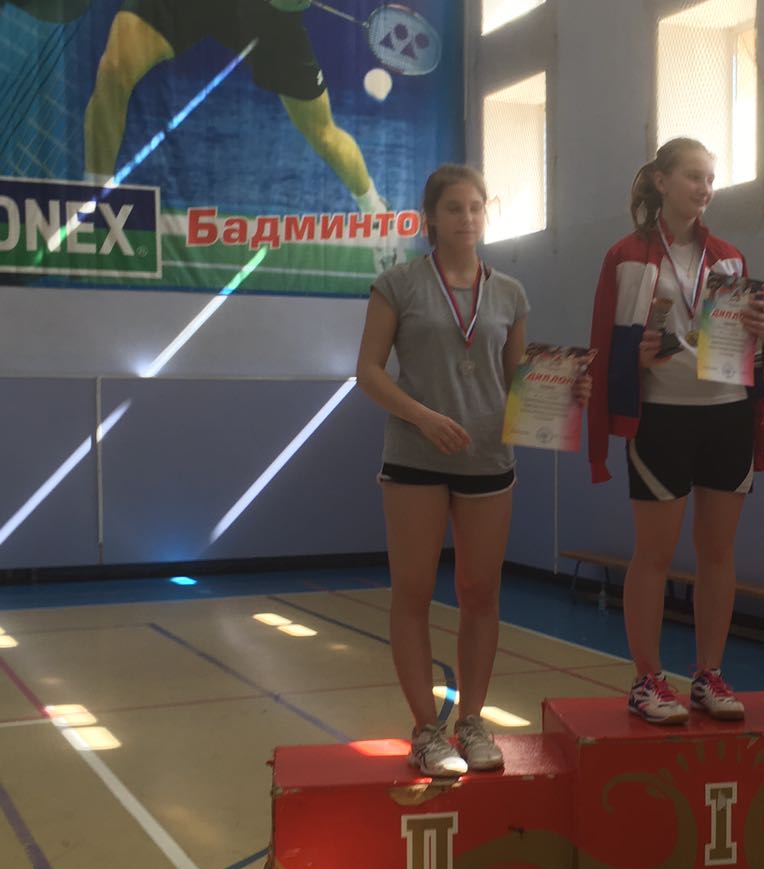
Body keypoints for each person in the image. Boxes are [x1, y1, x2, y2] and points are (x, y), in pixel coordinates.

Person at [356, 164, 586, 776]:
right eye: (454, 208)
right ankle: (425, 731)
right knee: (412, 592)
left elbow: (516, 380)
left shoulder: (509, 293)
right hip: (415, 458)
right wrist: (422, 416)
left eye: (476, 207)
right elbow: (368, 372)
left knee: (480, 593)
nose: (466, 218)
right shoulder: (398, 285)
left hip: (488, 458)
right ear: (430, 218)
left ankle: (473, 721)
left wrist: (562, 392)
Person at [587, 137, 764, 725]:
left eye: (710, 178)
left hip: (727, 412)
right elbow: (607, 344)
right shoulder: (626, 256)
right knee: (654, 554)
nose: (704, 188)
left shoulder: (731, 259)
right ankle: (647, 680)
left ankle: (708, 674)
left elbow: (745, 343)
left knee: (718, 553)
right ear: (661, 181)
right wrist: (634, 360)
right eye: (693, 176)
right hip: (662, 416)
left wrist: (763, 330)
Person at [83, 0, 399, 269]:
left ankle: (375, 211)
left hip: (265, 16)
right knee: (114, 69)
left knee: (322, 132)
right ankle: (95, 202)